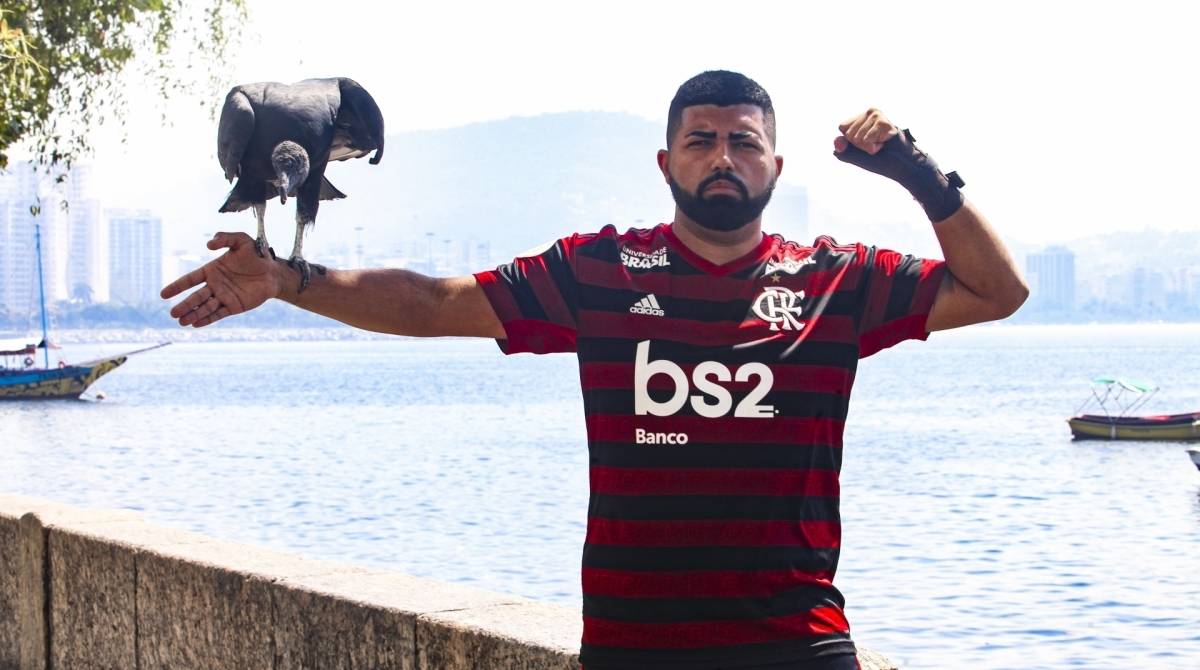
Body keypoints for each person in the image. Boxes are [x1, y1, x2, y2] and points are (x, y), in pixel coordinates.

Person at [161, 71, 1027, 670]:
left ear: (775, 165)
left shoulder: (836, 279)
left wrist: (915, 171)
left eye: (743, 142)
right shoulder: (598, 270)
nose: (722, 157)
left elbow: (999, 289)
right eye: (700, 141)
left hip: (794, 642)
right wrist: (288, 279)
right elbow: (432, 303)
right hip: (634, 642)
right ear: (666, 163)